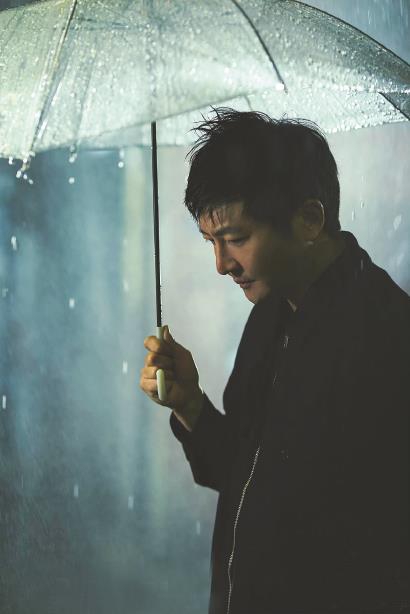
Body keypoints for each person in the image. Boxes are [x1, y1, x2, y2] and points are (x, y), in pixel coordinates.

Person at [140, 109, 409, 614]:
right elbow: (247, 475)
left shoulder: (387, 336)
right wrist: (190, 405)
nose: (221, 265)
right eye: (211, 242)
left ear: (309, 220)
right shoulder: (269, 315)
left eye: (236, 239)